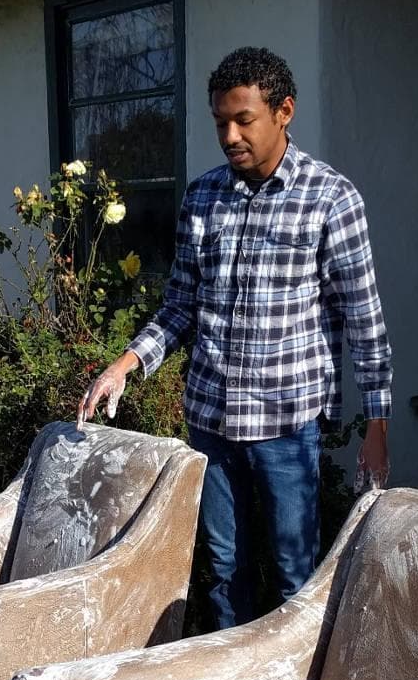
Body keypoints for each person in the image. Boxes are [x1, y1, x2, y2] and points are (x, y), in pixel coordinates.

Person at [77, 46, 392, 630]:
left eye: (243, 119)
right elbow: (180, 308)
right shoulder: (202, 198)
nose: (230, 135)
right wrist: (122, 365)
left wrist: (376, 425)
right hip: (211, 422)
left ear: (284, 112)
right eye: (221, 120)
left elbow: (363, 318)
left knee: (296, 571)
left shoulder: (331, 199)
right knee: (222, 568)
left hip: (286, 424)